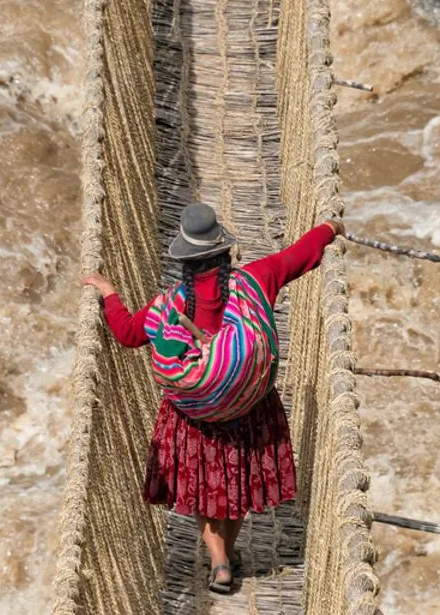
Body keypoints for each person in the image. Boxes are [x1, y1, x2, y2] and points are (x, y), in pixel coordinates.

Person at [81, 202, 344, 593]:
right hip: (249, 411)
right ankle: (229, 553)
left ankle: (219, 561)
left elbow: (129, 334)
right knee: (238, 486)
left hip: (194, 419)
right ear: (224, 252)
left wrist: (109, 293)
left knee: (203, 490)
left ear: (185, 261)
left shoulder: (169, 305)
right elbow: (299, 255)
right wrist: (330, 227)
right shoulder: (255, 281)